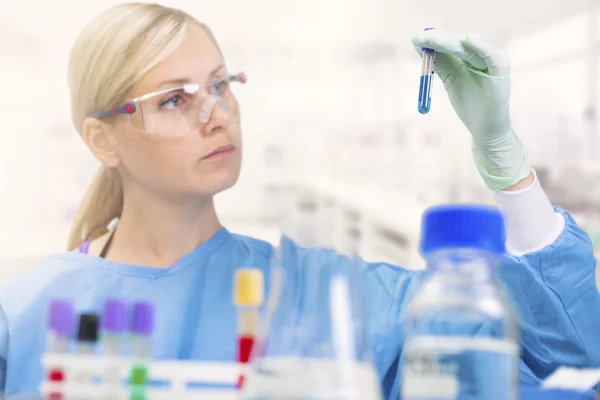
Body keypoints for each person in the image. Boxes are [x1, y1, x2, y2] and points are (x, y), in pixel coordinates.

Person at [0, 2, 598, 399]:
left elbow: (558, 352)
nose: (218, 116)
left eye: (220, 85)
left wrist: (506, 163)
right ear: (102, 139)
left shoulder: (324, 296)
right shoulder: (23, 316)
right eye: (175, 100)